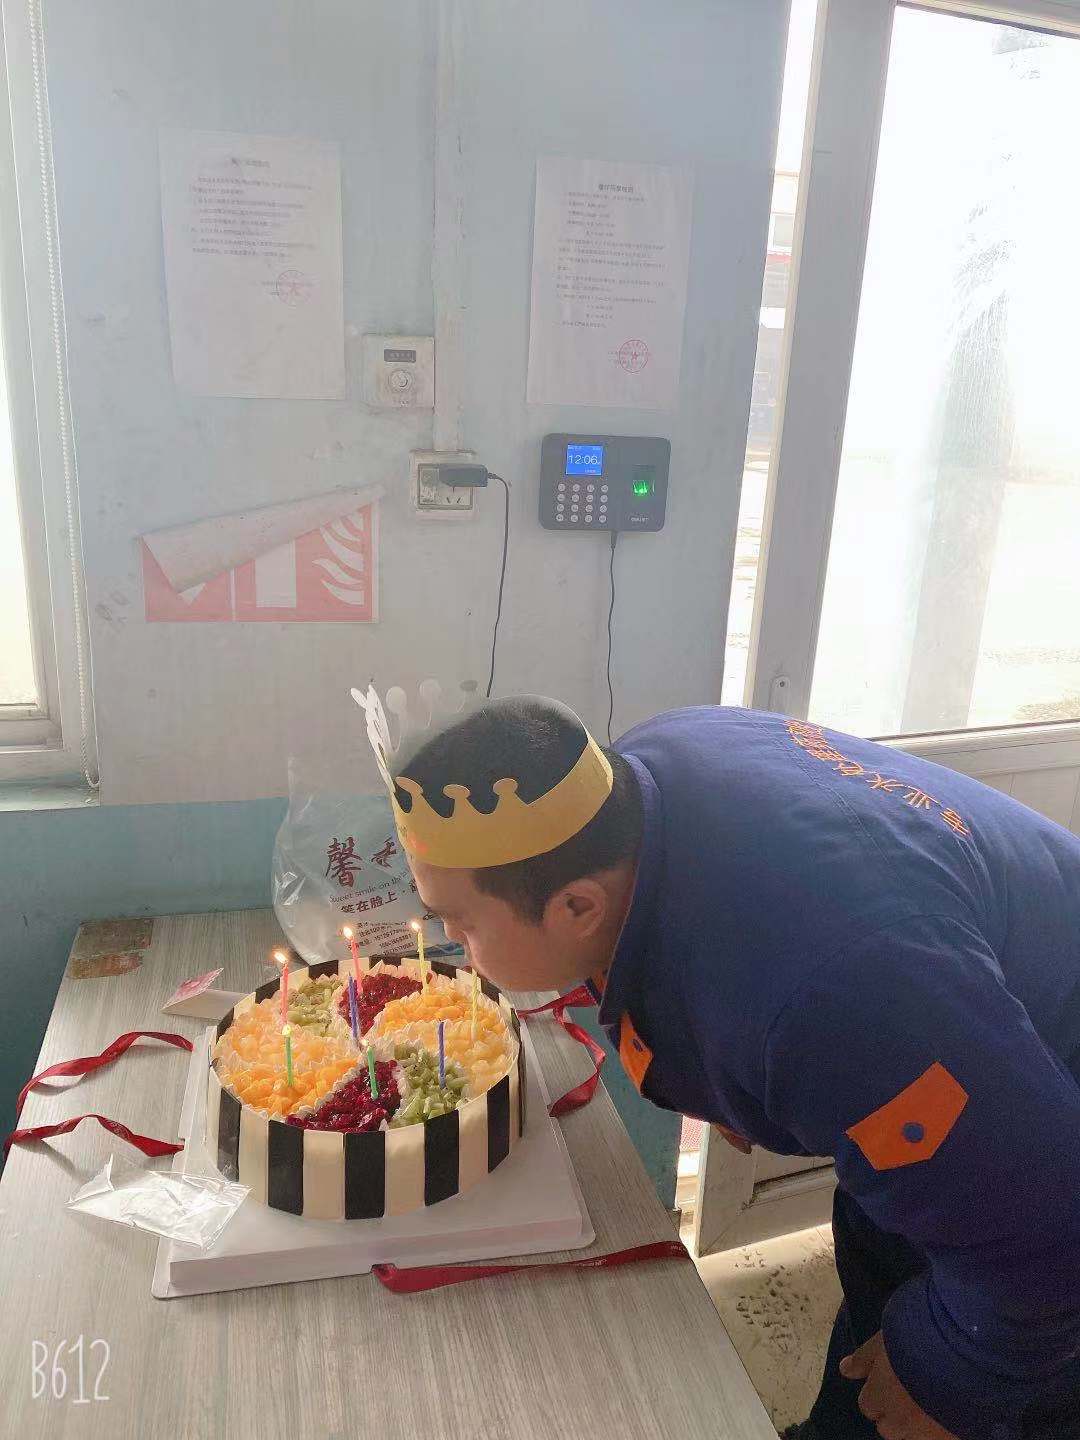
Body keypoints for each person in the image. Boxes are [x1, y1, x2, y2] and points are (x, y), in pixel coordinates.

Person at [370, 693, 1080, 1440]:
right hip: (965, 1069)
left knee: (965, 1383)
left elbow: (1049, 1230)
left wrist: (952, 1375)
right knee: (885, 1314)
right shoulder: (652, 768)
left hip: (1043, 1164)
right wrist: (710, 1068)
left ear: (577, 908)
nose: (453, 945)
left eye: (461, 925)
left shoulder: (832, 1000)